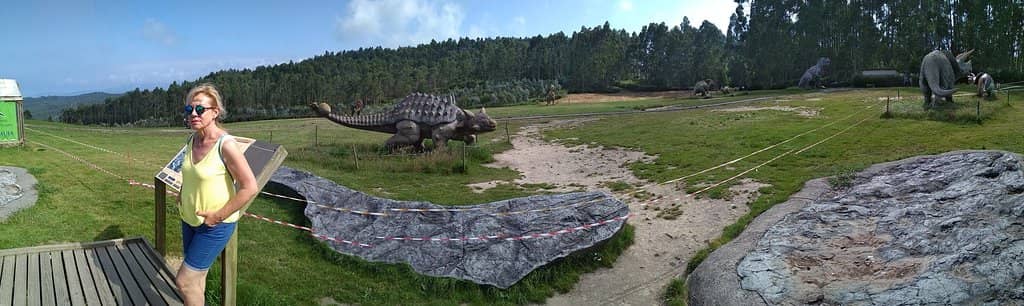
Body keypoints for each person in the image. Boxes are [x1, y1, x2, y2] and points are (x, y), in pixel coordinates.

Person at [176, 83, 257, 306]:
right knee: (196, 281)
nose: (193, 114)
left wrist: (217, 216)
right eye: (189, 109)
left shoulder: (225, 145)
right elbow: (190, 172)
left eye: (200, 109)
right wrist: (183, 193)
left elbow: (250, 187)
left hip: (214, 226)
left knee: (184, 282)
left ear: (215, 112)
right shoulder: (191, 140)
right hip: (189, 220)